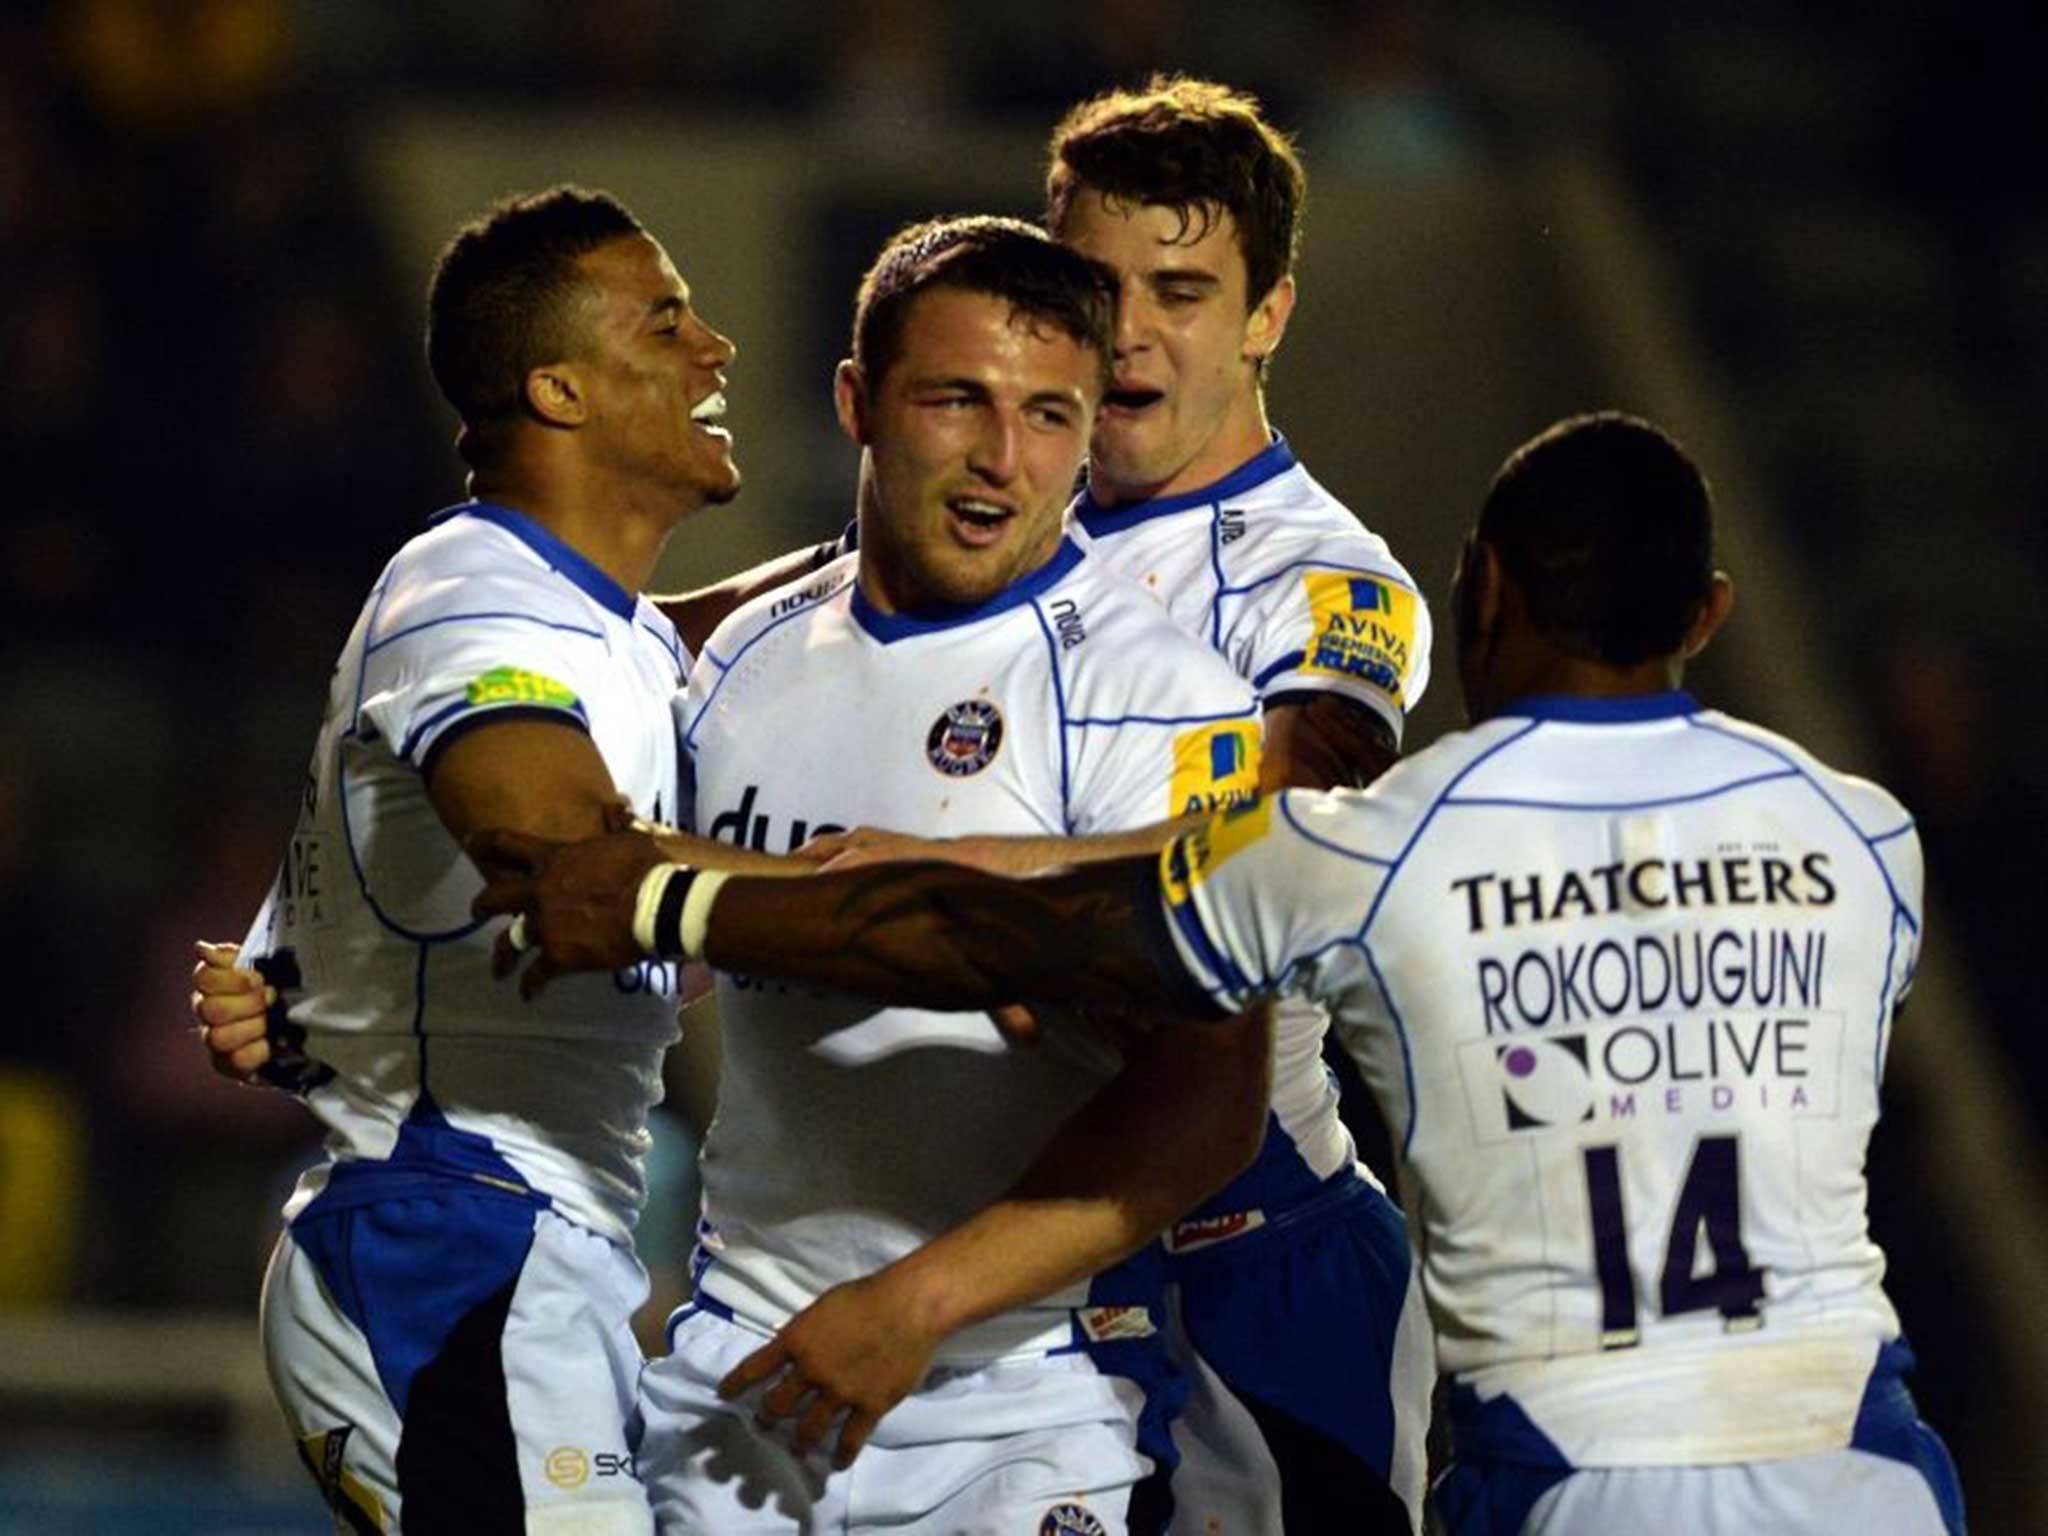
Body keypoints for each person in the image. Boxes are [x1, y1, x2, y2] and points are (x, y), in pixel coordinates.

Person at [479, 412, 1965, 1536]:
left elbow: (1011, 940)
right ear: (1706, 614)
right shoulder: (1868, 839)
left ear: (1483, 586)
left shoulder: (1376, 853)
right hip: (1867, 1460)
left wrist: (673, 897)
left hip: (1580, 1475)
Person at [813, 76, 1434, 1533]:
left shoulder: (1320, 577)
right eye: (1099, 285)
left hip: (1254, 1247)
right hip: (1023, 1241)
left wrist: (972, 888)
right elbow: (749, 641)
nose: (1135, 329)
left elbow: (1278, 830)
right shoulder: (1004, 499)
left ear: (1269, 314)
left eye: (1186, 290)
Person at [619, 214, 1274, 1535]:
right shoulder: (740, 658)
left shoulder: (1163, 702)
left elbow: (1211, 1104)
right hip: (744, 1370)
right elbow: (656, 958)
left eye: (1048, 414)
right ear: (858, 402)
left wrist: (913, 1306)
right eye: (956, 400)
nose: (1001, 458)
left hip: (1032, 1401)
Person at [200, 184, 809, 1535]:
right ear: (560, 389)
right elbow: (570, 863)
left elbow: (736, 624)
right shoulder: (479, 604)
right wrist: (927, 916)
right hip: (449, 1241)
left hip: (517, 1238)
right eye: (667, 322)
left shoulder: (604, 626)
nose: (714, 349)